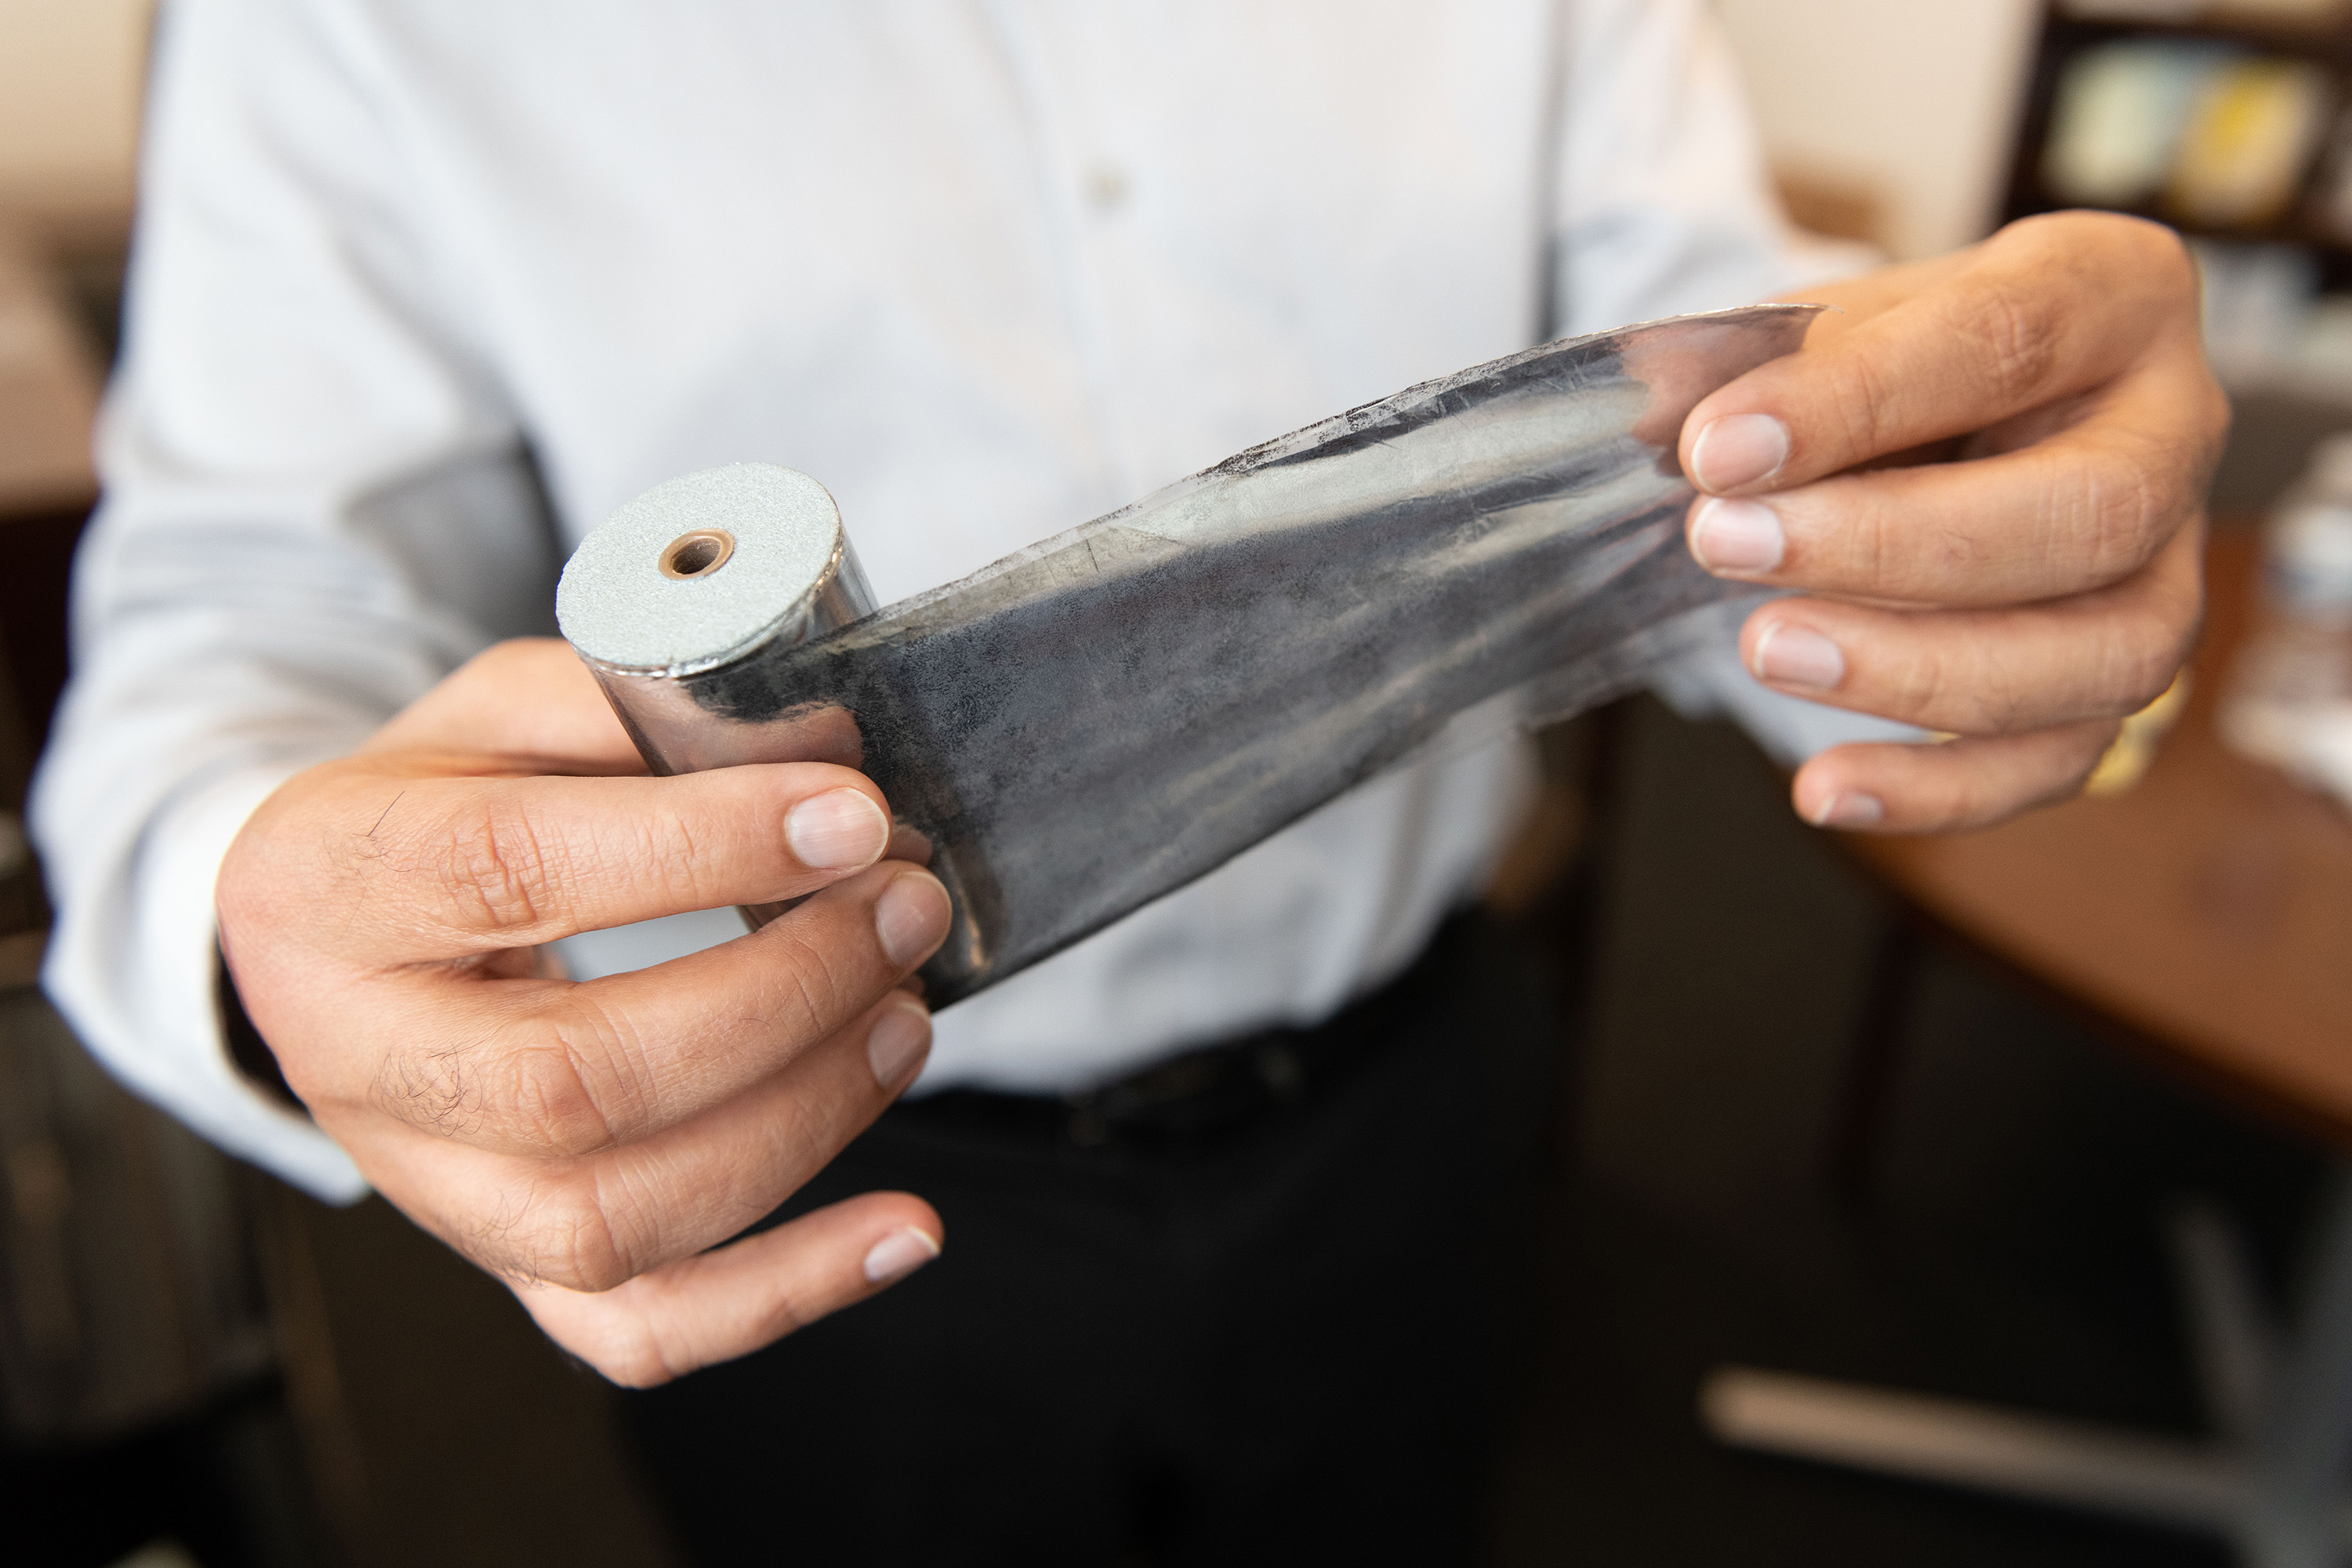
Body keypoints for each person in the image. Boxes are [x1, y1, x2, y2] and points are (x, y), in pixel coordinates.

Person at [34, 1, 2222, 1561]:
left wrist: (1965, 481)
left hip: (1412, 1110)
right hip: (814, 1184)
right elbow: (244, 596)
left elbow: (1690, 363)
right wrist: (260, 914)